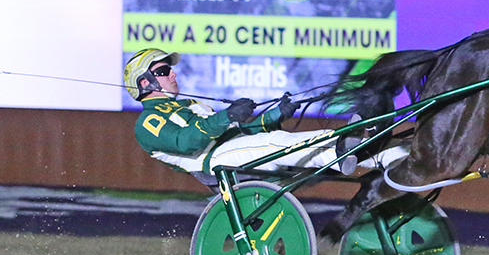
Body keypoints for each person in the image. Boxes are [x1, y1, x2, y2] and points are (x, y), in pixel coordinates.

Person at [124, 48, 351, 180]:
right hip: (215, 161)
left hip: (232, 150)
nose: (173, 74)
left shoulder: (188, 104)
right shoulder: (147, 122)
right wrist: (227, 116)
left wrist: (275, 115)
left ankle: (364, 152)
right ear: (145, 83)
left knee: (281, 141)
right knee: (274, 143)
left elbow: (241, 133)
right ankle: (339, 151)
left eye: (170, 69)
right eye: (164, 71)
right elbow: (185, 142)